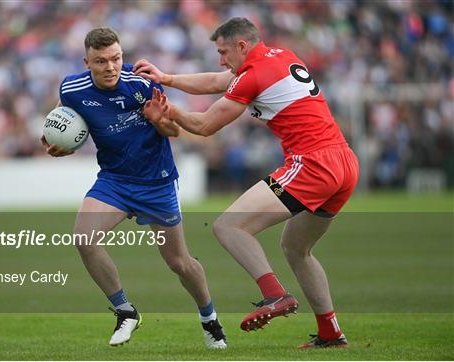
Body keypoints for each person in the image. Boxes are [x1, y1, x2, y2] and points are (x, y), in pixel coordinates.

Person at [134, 17, 359, 349]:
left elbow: (206, 125)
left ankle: (274, 295)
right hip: (344, 162)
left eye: (224, 52)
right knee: (297, 249)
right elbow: (216, 80)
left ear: (242, 45)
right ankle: (331, 333)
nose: (221, 59)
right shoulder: (280, 55)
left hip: (312, 164)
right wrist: (166, 78)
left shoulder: (252, 76)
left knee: (228, 227)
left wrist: (169, 111)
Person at [41, 27, 226, 349]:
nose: (110, 67)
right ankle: (125, 311)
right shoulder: (71, 88)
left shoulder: (142, 81)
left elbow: (173, 131)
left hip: (156, 182)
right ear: (87, 62)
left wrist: (159, 120)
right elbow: (69, 123)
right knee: (84, 239)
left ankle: (209, 318)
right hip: (114, 181)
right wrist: (62, 144)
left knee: (179, 263)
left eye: (116, 59)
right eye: (101, 61)